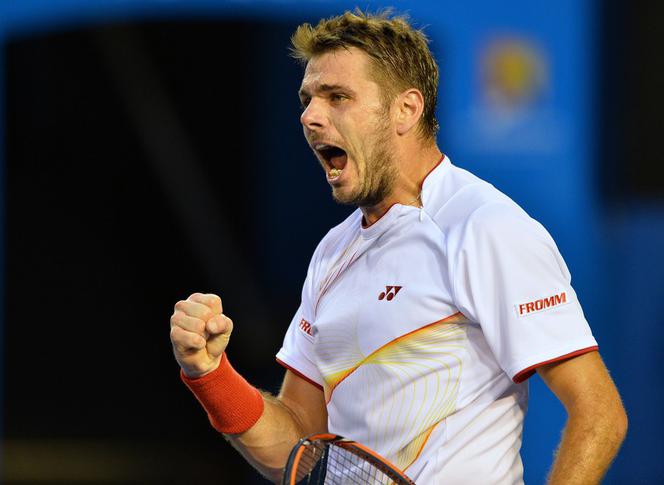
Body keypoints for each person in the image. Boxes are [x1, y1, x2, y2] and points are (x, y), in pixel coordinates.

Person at [170, 10, 627, 484]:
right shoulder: (332, 252)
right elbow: (296, 443)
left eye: (338, 97)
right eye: (307, 99)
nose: (309, 116)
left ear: (405, 110)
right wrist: (209, 373)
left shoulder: (485, 226)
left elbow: (598, 413)